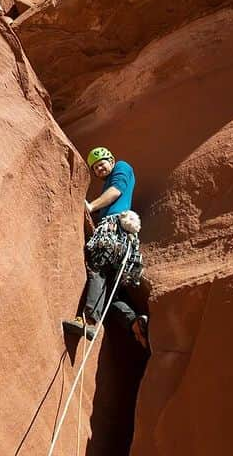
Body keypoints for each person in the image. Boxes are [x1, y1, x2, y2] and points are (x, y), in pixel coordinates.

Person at [62, 146, 148, 349]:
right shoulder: (107, 182)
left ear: (111, 159)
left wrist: (91, 207)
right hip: (122, 241)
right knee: (111, 295)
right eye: (96, 169)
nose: (100, 169)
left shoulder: (122, 167)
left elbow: (116, 191)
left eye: (102, 164)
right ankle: (134, 322)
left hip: (113, 229)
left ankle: (89, 321)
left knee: (97, 267)